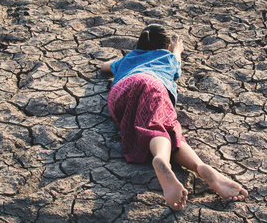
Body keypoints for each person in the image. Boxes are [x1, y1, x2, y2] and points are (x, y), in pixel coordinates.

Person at [101, 24, 248, 210]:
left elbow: (104, 66)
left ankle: (194, 166)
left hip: (120, 92)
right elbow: (176, 61)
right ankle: (171, 160)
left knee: (160, 131)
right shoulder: (168, 57)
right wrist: (177, 49)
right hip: (153, 84)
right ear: (167, 47)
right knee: (162, 125)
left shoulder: (127, 59)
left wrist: (125, 61)